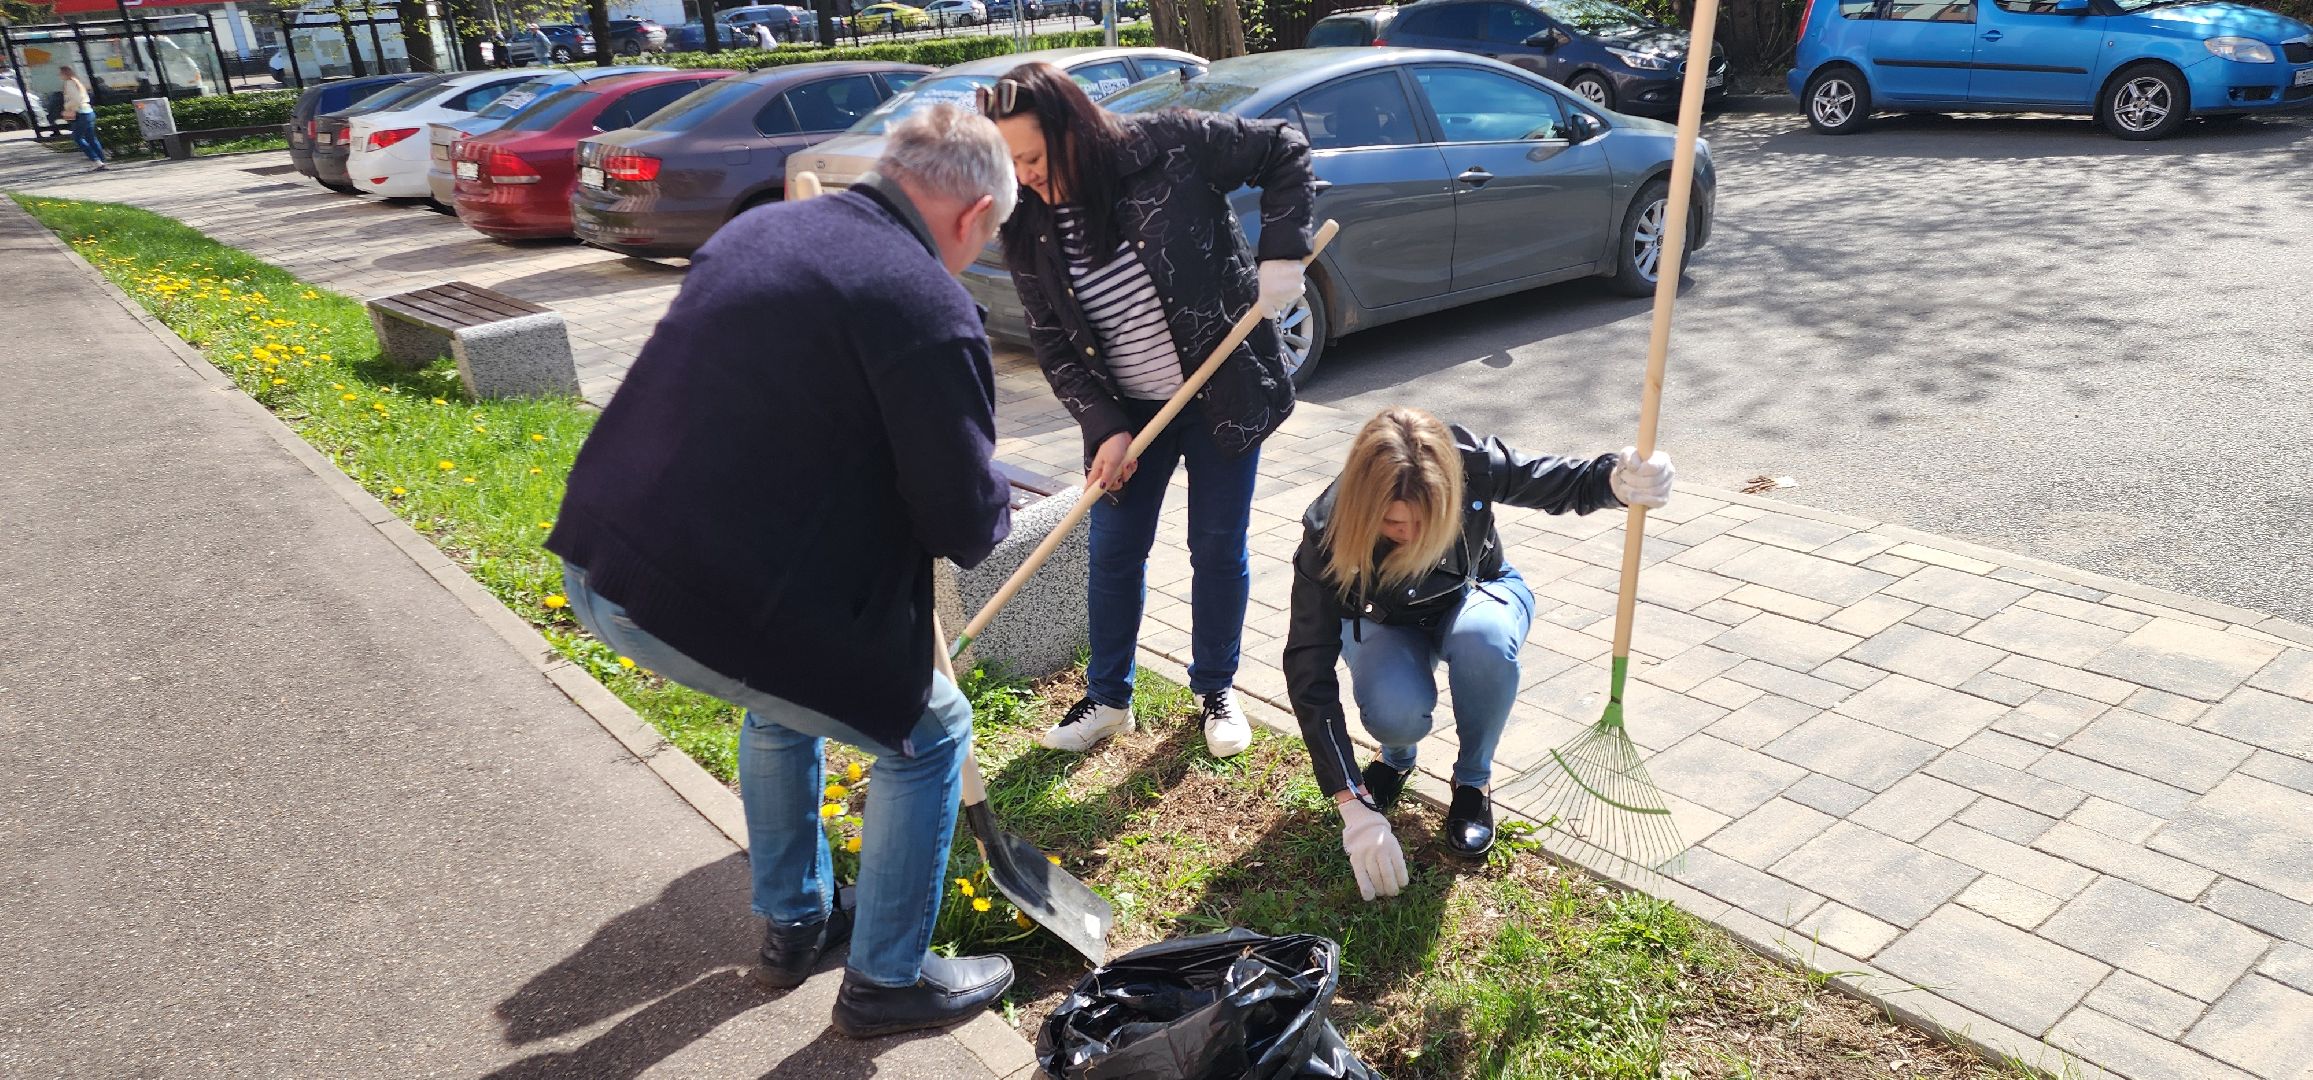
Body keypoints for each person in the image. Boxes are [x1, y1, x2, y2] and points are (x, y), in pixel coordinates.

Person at [545, 105, 1020, 1039]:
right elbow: (964, 524)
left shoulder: (761, 232)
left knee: (782, 703)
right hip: (694, 595)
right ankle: (885, 984)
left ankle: (797, 922)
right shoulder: (926, 307)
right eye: (990, 233)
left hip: (600, 557)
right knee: (931, 732)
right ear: (972, 216)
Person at [985, 61, 1314, 759]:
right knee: (1113, 552)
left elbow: (1283, 147)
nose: (1026, 176)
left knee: (1216, 547)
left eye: (1034, 157)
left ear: (1073, 129)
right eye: (1010, 164)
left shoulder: (1169, 144)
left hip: (1221, 392)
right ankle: (1108, 699)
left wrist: (1282, 254)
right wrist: (1103, 426)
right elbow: (1052, 343)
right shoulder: (1027, 222)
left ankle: (1215, 688)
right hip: (1128, 415)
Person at [1282, 408, 1674, 898]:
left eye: (1428, 519)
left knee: (1483, 641)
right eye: (1393, 522)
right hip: (1384, 621)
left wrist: (1616, 480)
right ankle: (1396, 759)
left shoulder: (1470, 462)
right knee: (1394, 711)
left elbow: (1560, 481)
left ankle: (1472, 783)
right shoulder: (1327, 532)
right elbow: (1308, 668)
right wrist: (1350, 800)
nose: (1412, 535)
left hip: (1476, 593)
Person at [58, 67, 104, 171]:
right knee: (91, 138)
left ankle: (96, 160)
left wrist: (67, 106)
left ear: (65, 74)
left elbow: (76, 100)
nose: (59, 76)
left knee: (77, 138)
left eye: (60, 73)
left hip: (80, 113)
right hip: (88, 111)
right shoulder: (77, 81)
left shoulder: (69, 83)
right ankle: (101, 161)